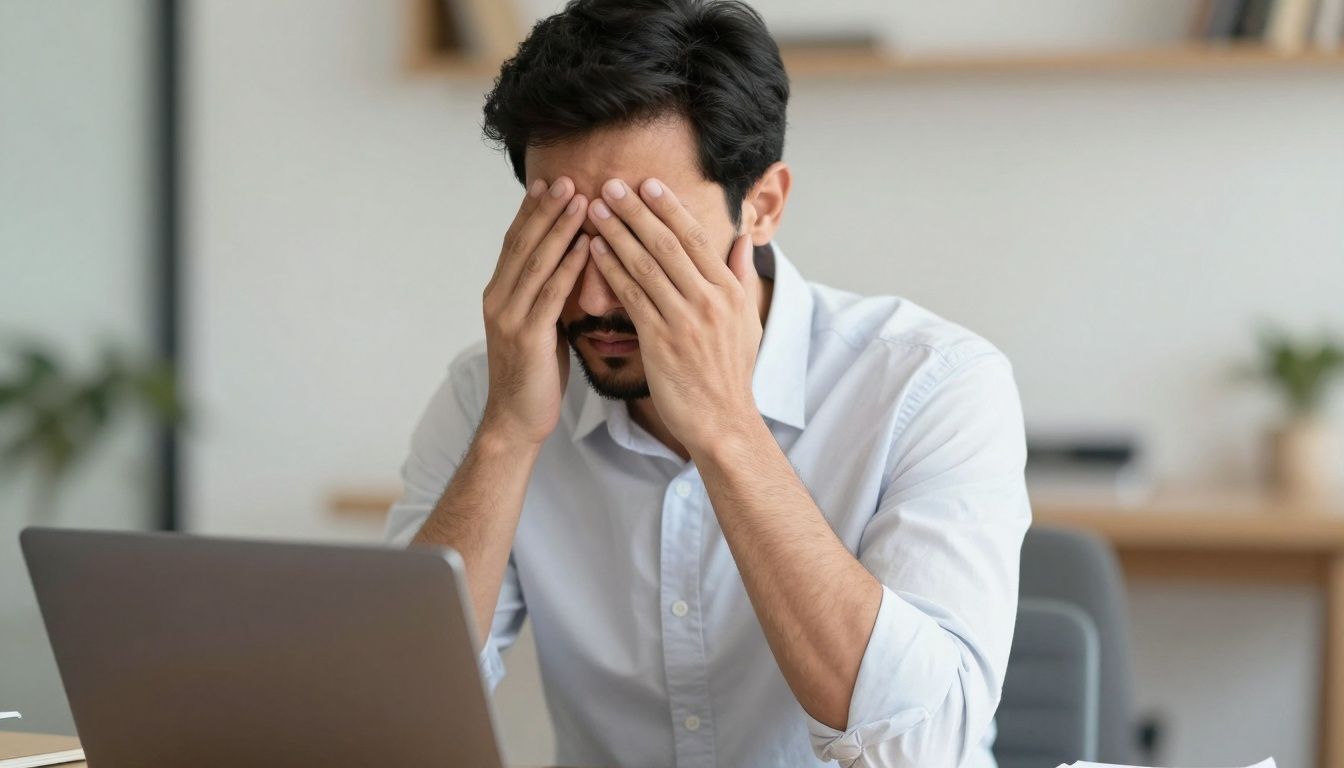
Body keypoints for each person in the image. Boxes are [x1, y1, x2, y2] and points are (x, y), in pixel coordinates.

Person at [385, 1, 1031, 765]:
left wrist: (727, 430)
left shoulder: (933, 384)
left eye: (642, 243)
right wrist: (504, 438)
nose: (592, 302)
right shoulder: (488, 395)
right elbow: (379, 723)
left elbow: (921, 752)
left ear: (762, 206)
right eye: (562, 239)